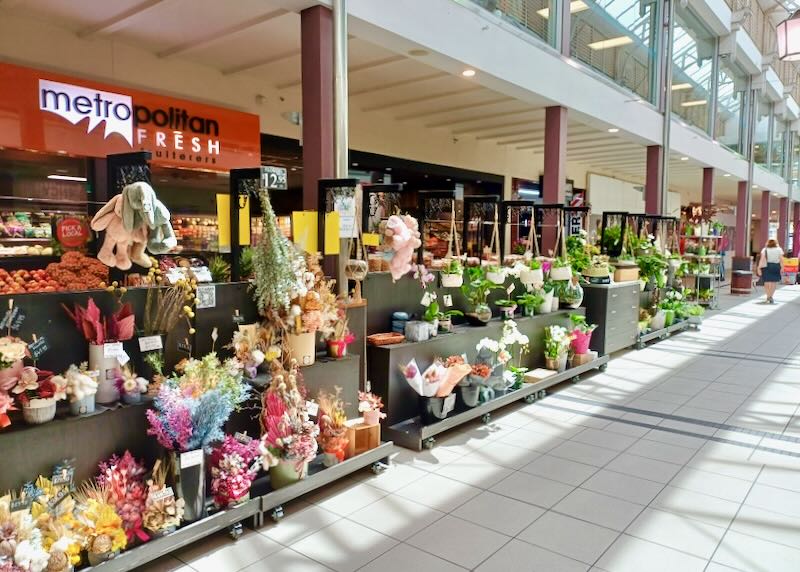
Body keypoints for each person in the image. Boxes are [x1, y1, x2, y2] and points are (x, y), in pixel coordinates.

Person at [757, 239, 784, 304]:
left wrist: (759, 267)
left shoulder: (764, 249)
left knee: (766, 282)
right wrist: (782, 267)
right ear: (776, 243)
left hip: (766, 266)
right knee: (773, 282)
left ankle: (768, 296)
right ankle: (770, 296)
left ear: (767, 243)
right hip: (776, 266)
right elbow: (781, 259)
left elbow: (762, 259)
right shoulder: (779, 249)